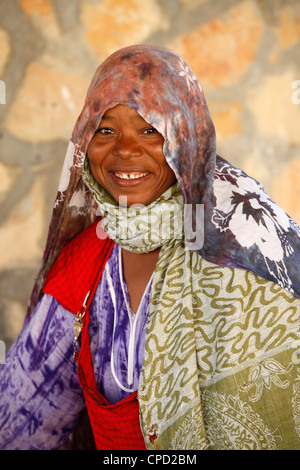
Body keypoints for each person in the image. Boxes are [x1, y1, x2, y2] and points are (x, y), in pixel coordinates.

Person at [0, 44, 300, 451]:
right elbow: (19, 419)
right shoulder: (86, 263)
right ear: (84, 140)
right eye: (105, 130)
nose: (125, 150)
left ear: (187, 138)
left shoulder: (251, 245)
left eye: (150, 130)